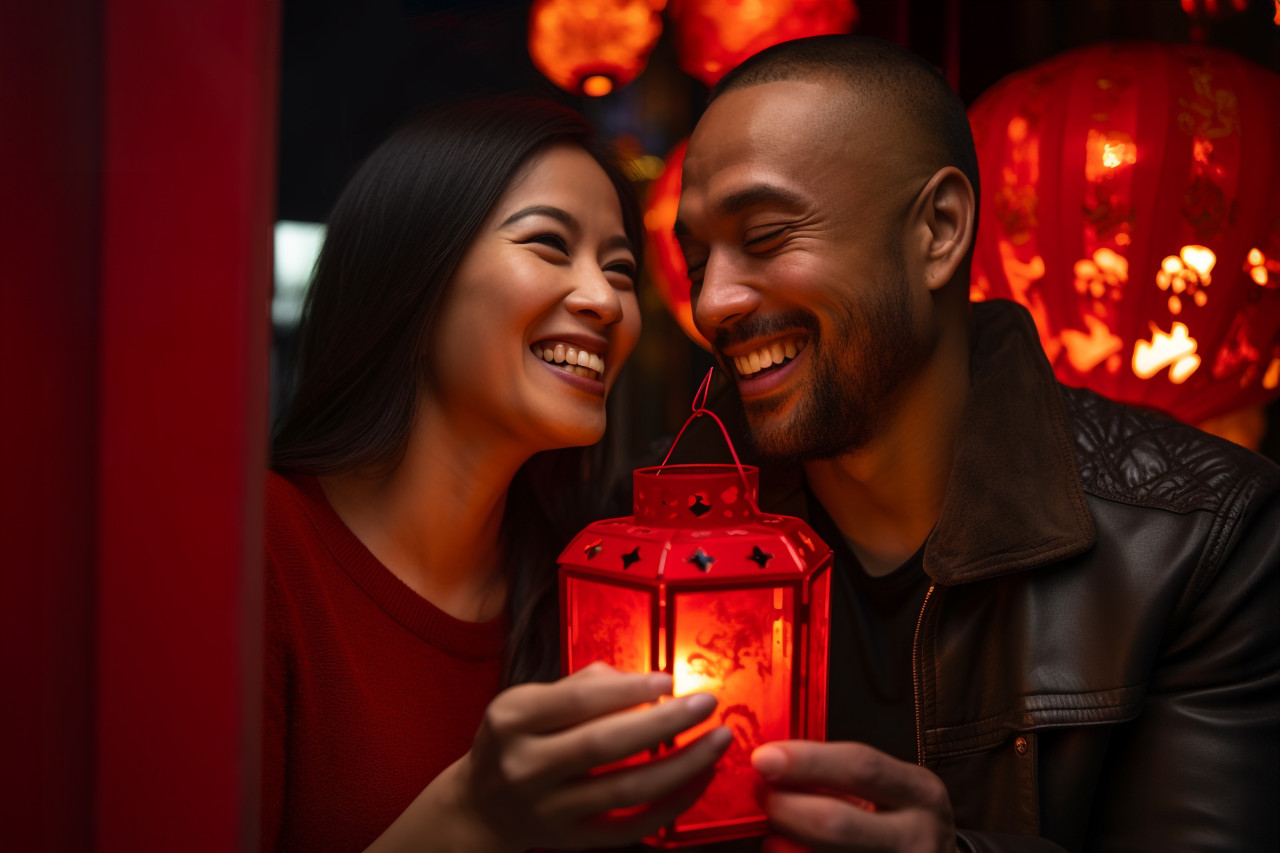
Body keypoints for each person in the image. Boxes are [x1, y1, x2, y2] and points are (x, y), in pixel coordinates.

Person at [672, 35, 1280, 852]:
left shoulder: (1198, 537)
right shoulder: (674, 527)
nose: (713, 301)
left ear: (940, 229)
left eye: (768, 235)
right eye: (697, 256)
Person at [264, 96, 732, 852]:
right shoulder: (263, 553)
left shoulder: (596, 581)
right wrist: (471, 819)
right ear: (411, 283)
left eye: (619, 269)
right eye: (550, 245)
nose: (604, 300)